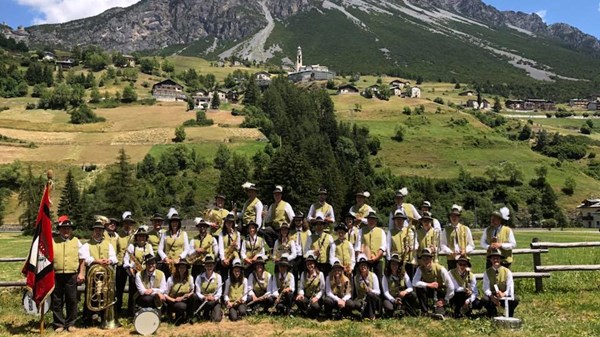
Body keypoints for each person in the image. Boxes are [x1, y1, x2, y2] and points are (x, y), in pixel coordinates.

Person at [78, 217, 118, 327]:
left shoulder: (108, 244)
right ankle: (88, 319)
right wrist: (97, 261)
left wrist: (109, 260)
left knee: (104, 295)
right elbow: (85, 259)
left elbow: (115, 258)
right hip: (92, 276)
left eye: (100, 230)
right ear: (93, 231)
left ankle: (103, 318)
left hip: (105, 276)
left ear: (103, 231)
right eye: (96, 230)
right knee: (90, 296)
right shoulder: (87, 245)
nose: (98, 232)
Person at [51, 215, 83, 333]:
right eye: (63, 228)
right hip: (56, 274)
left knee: (72, 299)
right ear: (59, 230)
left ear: (71, 230)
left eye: (68, 228)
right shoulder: (53, 241)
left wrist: (81, 273)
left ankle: (71, 323)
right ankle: (58, 323)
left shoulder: (76, 241)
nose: (66, 230)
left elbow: (82, 259)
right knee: (57, 300)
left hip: (71, 275)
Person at [413, 248, 454, 318]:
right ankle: (424, 311)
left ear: (431, 259)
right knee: (419, 288)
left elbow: (451, 286)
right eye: (423, 259)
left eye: (427, 259)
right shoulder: (420, 269)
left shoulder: (441, 269)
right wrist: (429, 285)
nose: (425, 261)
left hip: (440, 291)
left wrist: (445, 300)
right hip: (429, 290)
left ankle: (441, 307)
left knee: (440, 311)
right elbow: (414, 282)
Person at [481, 249, 519, 317]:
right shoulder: (487, 272)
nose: (496, 260)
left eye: (497, 258)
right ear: (490, 260)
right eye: (493, 258)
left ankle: (509, 314)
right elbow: (485, 288)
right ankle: (492, 313)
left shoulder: (507, 271)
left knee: (515, 299)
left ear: (500, 260)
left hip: (504, 294)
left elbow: (510, 287)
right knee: (484, 299)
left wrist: (503, 294)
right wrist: (492, 297)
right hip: (493, 294)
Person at [381, 253, 418, 318]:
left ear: (399, 265)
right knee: (389, 308)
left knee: (413, 295)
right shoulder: (386, 276)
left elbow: (410, 287)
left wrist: (405, 292)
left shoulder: (403, 274)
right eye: (392, 264)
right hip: (391, 298)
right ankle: (395, 310)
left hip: (402, 297)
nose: (394, 266)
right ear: (389, 265)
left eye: (396, 264)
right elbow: (385, 292)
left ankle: (406, 310)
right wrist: (394, 300)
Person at [440, 205, 474, 270]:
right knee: (452, 278)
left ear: (459, 218)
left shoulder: (466, 229)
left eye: (456, 216)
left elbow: (471, 245)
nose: (454, 218)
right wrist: (450, 252)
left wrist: (465, 250)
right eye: (452, 216)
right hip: (451, 259)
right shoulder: (446, 230)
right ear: (450, 217)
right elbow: (443, 244)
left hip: (464, 258)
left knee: (465, 277)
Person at [158, 209, 189, 278]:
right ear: (170, 223)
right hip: (168, 263)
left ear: (179, 223)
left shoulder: (184, 234)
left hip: (179, 263)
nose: (174, 224)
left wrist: (179, 258)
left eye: (176, 222)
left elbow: (186, 249)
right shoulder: (165, 234)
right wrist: (165, 258)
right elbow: (160, 249)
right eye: (173, 222)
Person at [115, 211, 136, 316]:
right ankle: (117, 310)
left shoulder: (136, 235)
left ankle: (130, 311)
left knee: (133, 288)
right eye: (126, 223)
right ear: (123, 224)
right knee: (119, 288)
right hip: (120, 265)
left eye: (130, 223)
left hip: (132, 265)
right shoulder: (118, 235)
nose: (128, 225)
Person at [355, 211, 386, 279]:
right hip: (365, 260)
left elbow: (383, 246)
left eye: (373, 219)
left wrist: (376, 257)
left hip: (378, 259)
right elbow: (358, 244)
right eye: (369, 219)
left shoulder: (381, 231)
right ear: (367, 220)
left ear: (376, 221)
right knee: (364, 278)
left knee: (379, 279)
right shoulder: (361, 230)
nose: (371, 221)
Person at [192, 254, 223, 322]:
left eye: (211, 265)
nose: (209, 267)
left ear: (214, 266)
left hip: (214, 300)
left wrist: (213, 298)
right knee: (194, 296)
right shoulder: (199, 277)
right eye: (207, 265)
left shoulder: (218, 277)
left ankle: (213, 312)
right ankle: (198, 314)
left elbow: (219, 292)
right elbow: (197, 292)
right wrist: (204, 297)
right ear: (205, 266)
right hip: (203, 300)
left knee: (216, 319)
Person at [386, 209, 417, 278]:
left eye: (401, 219)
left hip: (408, 260)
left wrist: (411, 248)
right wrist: (389, 259)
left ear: (403, 220)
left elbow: (416, 244)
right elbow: (388, 246)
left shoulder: (409, 230)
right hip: (396, 260)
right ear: (394, 221)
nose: (399, 221)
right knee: (398, 278)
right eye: (397, 220)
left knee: (409, 278)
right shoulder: (391, 232)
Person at [295, 251, 325, 318]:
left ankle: (313, 313)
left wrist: (316, 297)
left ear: (314, 264)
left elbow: (323, 289)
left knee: (315, 306)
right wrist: (301, 294)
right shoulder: (303, 274)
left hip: (316, 297)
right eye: (308, 264)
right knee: (298, 300)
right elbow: (301, 287)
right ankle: (306, 312)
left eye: (311, 263)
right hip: (307, 296)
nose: (310, 265)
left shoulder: (320, 274)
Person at [164, 260, 194, 325]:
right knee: (182, 306)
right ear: (177, 268)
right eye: (180, 267)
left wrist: (188, 295)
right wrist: (174, 300)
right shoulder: (171, 279)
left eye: (184, 267)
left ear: (186, 269)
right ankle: (177, 318)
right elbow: (165, 294)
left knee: (193, 297)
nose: (182, 269)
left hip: (184, 299)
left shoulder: (190, 278)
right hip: (173, 301)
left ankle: (189, 317)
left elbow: (192, 290)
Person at [353, 254, 381, 320]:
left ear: (367, 266)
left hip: (373, 298)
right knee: (356, 304)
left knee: (370, 294)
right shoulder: (356, 278)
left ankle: (372, 315)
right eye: (361, 265)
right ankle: (365, 312)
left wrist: (370, 290)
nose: (363, 266)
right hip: (362, 299)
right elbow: (357, 292)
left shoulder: (373, 276)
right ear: (359, 267)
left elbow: (378, 292)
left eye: (364, 265)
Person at [218, 213, 241, 281]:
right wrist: (223, 259)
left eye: (231, 222)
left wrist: (236, 245)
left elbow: (238, 247)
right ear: (225, 223)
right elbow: (221, 247)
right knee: (224, 276)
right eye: (227, 222)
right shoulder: (221, 234)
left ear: (233, 223)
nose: (229, 224)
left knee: (234, 276)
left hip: (234, 256)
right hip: (225, 257)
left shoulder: (237, 234)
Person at [290, 212, 311, 280]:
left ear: (302, 221)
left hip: (303, 256)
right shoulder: (291, 232)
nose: (298, 222)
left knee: (304, 275)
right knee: (294, 275)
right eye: (296, 220)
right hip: (295, 256)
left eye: (300, 220)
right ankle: (295, 290)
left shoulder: (307, 231)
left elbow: (310, 244)